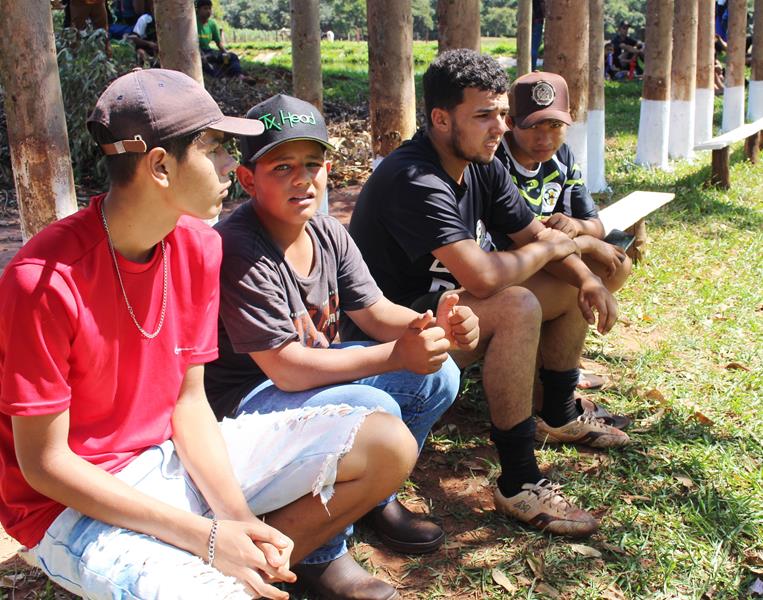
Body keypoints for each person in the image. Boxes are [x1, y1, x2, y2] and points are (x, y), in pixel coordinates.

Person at [0, 68, 417, 600]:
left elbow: (188, 402)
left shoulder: (199, 246)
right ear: (159, 166)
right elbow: (45, 465)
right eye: (216, 148)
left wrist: (236, 522)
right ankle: (213, 576)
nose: (230, 166)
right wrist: (206, 536)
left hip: (170, 458)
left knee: (385, 442)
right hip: (70, 504)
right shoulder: (44, 282)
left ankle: (252, 570)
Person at [205, 93, 479, 599]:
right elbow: (285, 369)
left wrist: (434, 325)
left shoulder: (328, 231)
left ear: (328, 168)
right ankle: (318, 555)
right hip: (244, 407)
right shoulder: (240, 248)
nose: (301, 178)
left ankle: (372, 496)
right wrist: (397, 356)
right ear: (247, 180)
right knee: (371, 406)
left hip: (302, 384)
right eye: (281, 166)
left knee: (439, 374)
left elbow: (375, 313)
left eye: (312, 164)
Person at [348, 49, 631, 538]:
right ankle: (519, 480)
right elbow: (481, 276)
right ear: (440, 118)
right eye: (484, 115)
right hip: (392, 343)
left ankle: (558, 413)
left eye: (502, 114)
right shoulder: (415, 177)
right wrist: (567, 248)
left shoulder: (481, 161)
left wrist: (584, 276)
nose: (499, 127)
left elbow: (531, 237)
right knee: (516, 302)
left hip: (454, 319)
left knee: (565, 282)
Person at [495, 71, 632, 429]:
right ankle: (555, 401)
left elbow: (594, 222)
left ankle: (553, 369)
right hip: (507, 271)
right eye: (534, 127)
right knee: (578, 283)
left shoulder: (562, 155)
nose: (545, 138)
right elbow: (522, 240)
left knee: (618, 264)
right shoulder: (496, 162)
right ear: (510, 123)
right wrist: (584, 244)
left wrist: (581, 231)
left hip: (548, 259)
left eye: (555, 125)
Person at [195, 0, 243, 79]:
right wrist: (201, 56)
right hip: (198, 54)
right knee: (209, 67)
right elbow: (193, 44)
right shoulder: (193, 23)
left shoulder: (212, 24)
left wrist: (225, 53)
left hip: (210, 53)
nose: (208, 11)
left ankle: (240, 75)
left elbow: (218, 43)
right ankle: (223, 77)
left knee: (232, 57)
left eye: (210, 8)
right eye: (205, 8)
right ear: (198, 10)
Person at [128, 0, 158, 67]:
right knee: (141, 53)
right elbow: (134, 38)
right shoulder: (145, 19)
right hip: (146, 49)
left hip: (158, 51)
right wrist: (148, 43)